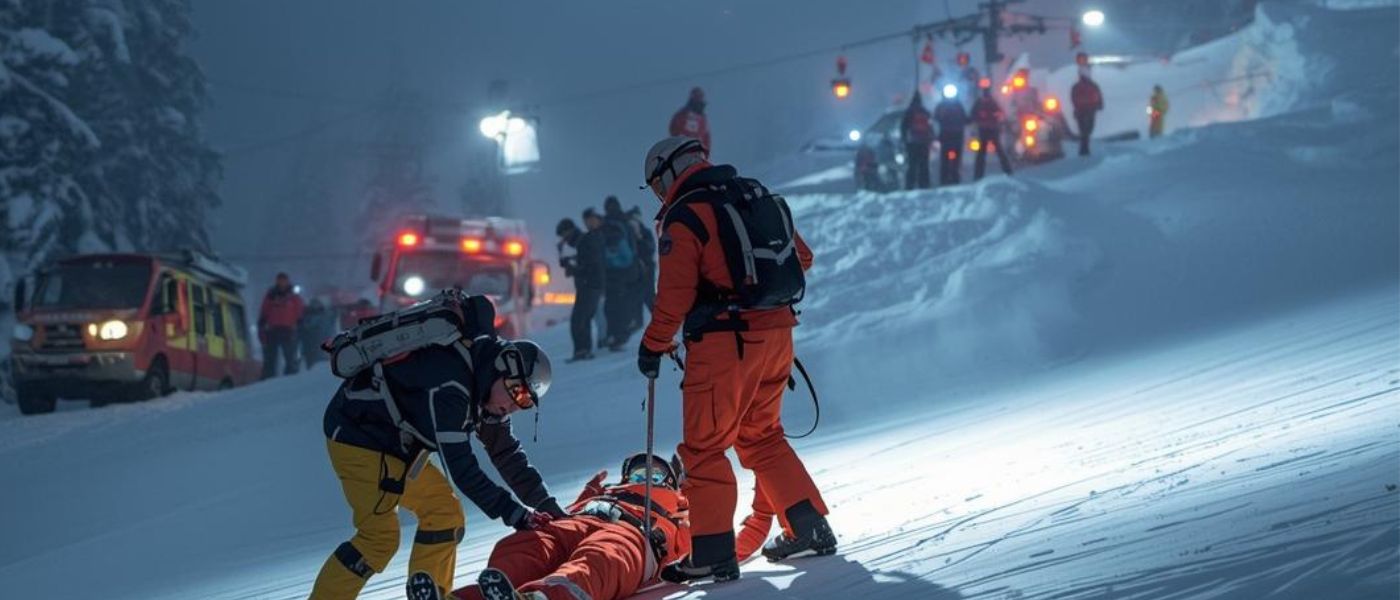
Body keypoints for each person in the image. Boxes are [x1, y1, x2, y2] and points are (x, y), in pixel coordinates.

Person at [636, 136, 835, 583]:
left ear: (669, 173)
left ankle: (712, 552)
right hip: (779, 336)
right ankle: (809, 527)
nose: (658, 195)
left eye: (656, 185)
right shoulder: (751, 194)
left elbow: (674, 296)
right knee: (763, 436)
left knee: (704, 448)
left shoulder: (686, 215)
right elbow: (802, 258)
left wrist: (653, 345)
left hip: (725, 345)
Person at [309, 325, 566, 599]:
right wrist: (516, 514)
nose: (514, 405)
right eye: (517, 391)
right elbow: (462, 470)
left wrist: (548, 507)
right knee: (378, 539)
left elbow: (506, 454)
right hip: (358, 439)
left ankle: (432, 595)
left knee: (444, 515)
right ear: (503, 366)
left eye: (525, 401)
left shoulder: (487, 387)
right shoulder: (452, 386)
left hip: (398, 446)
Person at [438, 454, 691, 600]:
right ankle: (479, 596)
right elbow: (572, 510)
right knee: (528, 545)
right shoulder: (606, 492)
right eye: (638, 474)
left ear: (672, 484)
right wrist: (590, 493)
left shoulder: (679, 508)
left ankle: (548, 596)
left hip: (633, 532)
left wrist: (693, 496)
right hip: (578, 520)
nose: (644, 478)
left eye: (655, 475)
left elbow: (703, 537)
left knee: (602, 555)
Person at [556, 218, 605, 362]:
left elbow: (589, 265)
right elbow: (582, 261)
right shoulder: (582, 241)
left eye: (563, 235)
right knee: (584, 319)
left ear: (569, 230)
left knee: (578, 320)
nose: (563, 239)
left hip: (589, 285)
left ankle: (582, 351)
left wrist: (573, 269)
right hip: (591, 285)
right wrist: (564, 257)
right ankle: (584, 350)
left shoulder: (584, 241)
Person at [597, 200, 641, 352]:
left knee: (612, 306)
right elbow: (634, 247)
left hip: (612, 271)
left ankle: (615, 335)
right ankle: (620, 335)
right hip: (626, 270)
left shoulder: (608, 224)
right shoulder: (625, 222)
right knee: (621, 304)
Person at [258, 272, 304, 379]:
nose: (282, 283)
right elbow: (265, 309)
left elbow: (299, 309)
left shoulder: (293, 295)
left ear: (287, 281)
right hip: (273, 329)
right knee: (270, 356)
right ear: (277, 281)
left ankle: (290, 377)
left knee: (290, 356)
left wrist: (299, 321)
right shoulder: (271, 294)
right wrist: (262, 321)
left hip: (288, 329)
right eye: (280, 280)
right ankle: (269, 377)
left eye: (284, 280)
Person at [971, 89, 1013, 180]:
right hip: (988, 130)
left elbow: (973, 115)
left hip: (989, 130)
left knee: (985, 153)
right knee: (988, 153)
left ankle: (978, 175)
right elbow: (973, 115)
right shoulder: (988, 102)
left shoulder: (985, 103)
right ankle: (1007, 171)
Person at [933, 86, 969, 185]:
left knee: (952, 159)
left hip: (952, 136)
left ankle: (950, 178)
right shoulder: (947, 106)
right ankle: (948, 178)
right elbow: (936, 117)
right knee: (947, 159)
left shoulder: (956, 106)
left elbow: (935, 117)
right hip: (950, 136)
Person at [626, 205, 658, 314]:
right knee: (635, 298)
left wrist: (639, 237)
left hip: (647, 268)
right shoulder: (628, 234)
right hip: (634, 270)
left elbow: (650, 248)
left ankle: (659, 317)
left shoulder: (645, 232)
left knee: (649, 296)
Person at [900, 91, 935, 190]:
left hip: (912, 142)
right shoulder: (924, 111)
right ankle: (924, 184)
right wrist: (931, 139)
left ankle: (910, 185)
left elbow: (903, 127)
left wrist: (904, 140)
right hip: (924, 142)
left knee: (912, 165)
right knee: (924, 165)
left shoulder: (909, 112)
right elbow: (930, 126)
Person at [669, 86, 711, 153]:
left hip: (697, 151)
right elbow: (674, 129)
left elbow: (706, 136)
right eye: (697, 97)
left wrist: (705, 151)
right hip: (683, 148)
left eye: (700, 98)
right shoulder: (683, 114)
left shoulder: (702, 119)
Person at [1071, 73, 1104, 156]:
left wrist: (1076, 108)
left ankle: (1084, 147)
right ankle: (1084, 147)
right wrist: (1100, 105)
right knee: (1088, 129)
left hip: (1083, 110)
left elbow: (1073, 98)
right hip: (1089, 110)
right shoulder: (1093, 85)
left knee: (1084, 129)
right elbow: (1099, 95)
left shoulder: (1076, 86)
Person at [298, 298, 335, 370]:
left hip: (317, 343)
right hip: (311, 343)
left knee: (317, 361)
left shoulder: (324, 316)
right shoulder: (307, 316)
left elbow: (328, 330)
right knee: (313, 361)